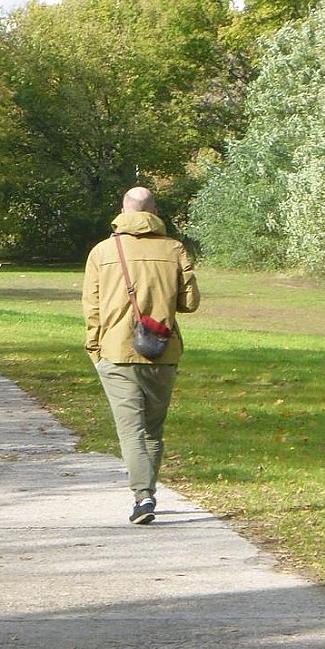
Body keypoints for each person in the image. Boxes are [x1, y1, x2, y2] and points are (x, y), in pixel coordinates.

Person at [82, 186, 200, 525]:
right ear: (155, 212)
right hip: (162, 351)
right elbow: (189, 303)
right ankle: (147, 493)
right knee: (152, 429)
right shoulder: (175, 249)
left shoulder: (102, 252)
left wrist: (94, 347)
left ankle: (143, 496)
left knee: (130, 429)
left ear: (123, 210)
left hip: (116, 350)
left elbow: (92, 308)